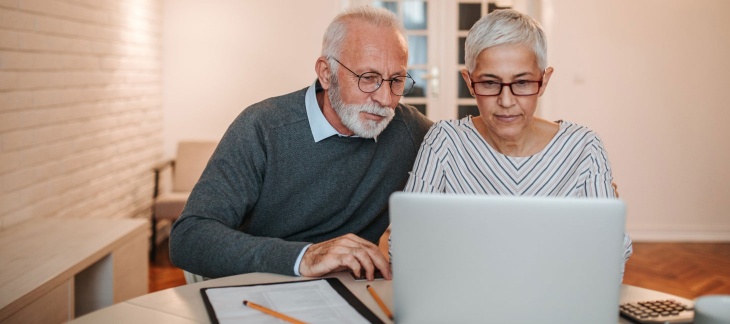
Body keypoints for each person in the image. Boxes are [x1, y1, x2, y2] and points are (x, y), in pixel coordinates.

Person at [169, 6, 433, 281]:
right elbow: (189, 237)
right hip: (259, 285)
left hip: (350, 292)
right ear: (326, 73)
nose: (385, 98)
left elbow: (465, 142)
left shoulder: (409, 129)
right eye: (368, 78)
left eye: (397, 80)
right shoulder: (263, 127)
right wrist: (304, 257)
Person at [391, 9, 632, 276]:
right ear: (469, 83)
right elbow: (405, 244)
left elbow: (610, 258)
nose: (506, 101)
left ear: (544, 81)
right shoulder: (444, 141)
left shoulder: (584, 148)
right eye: (490, 83)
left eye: (523, 82)